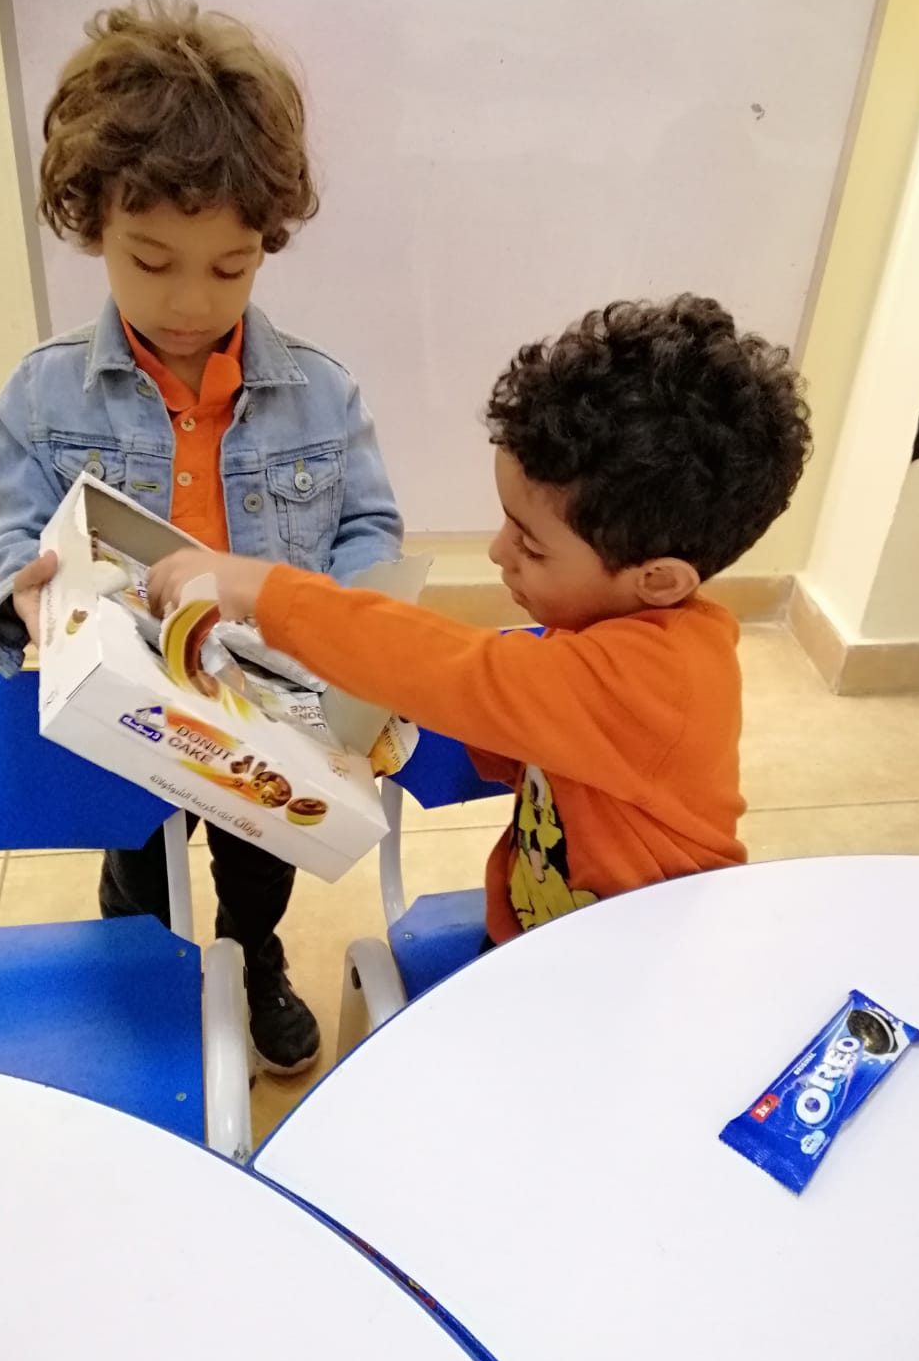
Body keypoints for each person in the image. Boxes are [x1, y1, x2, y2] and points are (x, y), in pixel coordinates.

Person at [106, 295, 811, 946]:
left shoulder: (653, 678)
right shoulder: (601, 634)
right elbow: (514, 731)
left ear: (658, 580)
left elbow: (459, 671)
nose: (498, 552)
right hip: (543, 945)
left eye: (531, 544)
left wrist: (267, 590)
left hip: (629, 973)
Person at [0, 0, 402, 1072]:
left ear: (266, 247)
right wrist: (26, 595)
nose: (188, 301)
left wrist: (363, 633)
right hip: (128, 702)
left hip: (268, 702)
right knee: (139, 867)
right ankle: (150, 965)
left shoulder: (321, 393)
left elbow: (368, 526)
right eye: (151, 259)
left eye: (230, 266)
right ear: (93, 226)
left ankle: (253, 957)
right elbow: (19, 542)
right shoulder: (41, 397)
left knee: (262, 858)